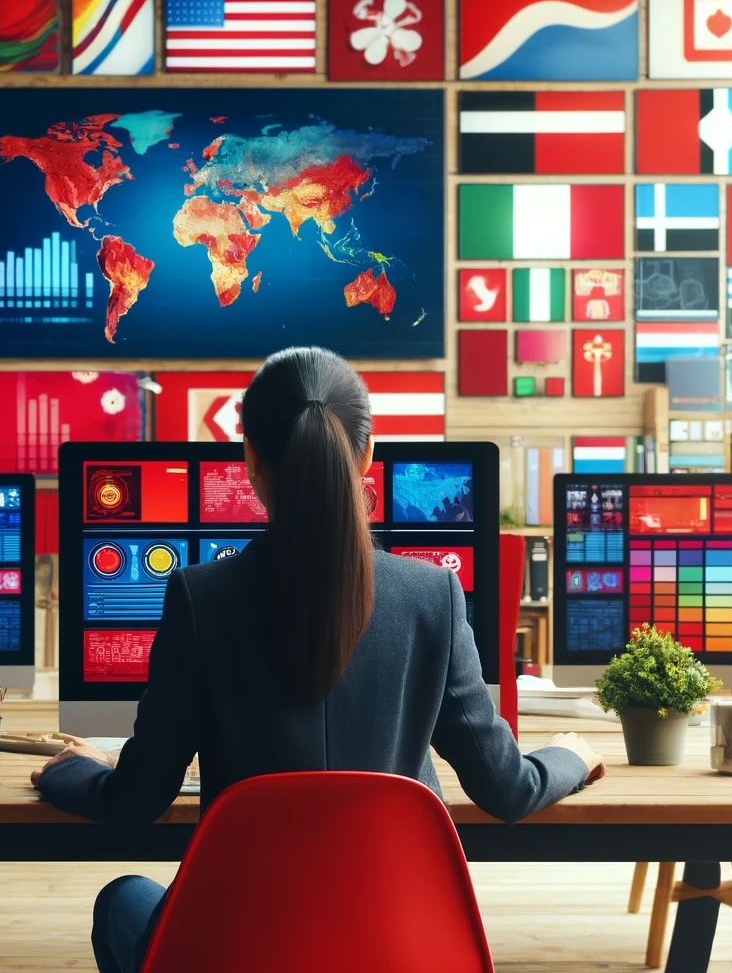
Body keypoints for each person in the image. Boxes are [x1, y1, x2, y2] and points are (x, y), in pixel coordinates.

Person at [32, 345, 603, 973]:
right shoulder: (433, 596)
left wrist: (68, 769)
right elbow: (507, 788)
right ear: (367, 453)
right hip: (398, 949)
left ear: (248, 460)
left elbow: (136, 799)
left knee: (123, 899)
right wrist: (573, 754)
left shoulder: (201, 598)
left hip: (243, 951)